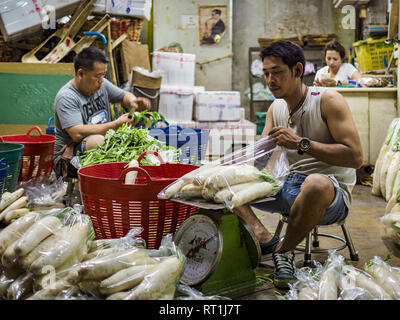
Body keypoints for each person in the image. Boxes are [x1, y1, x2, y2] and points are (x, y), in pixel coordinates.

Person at [233, 40, 363, 289]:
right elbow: (260, 157)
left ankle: (284, 252)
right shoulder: (276, 107)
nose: (271, 80)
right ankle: (264, 238)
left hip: (329, 195)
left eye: (278, 72)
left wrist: (303, 144)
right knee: (220, 185)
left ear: (298, 70)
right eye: (267, 73)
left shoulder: (328, 100)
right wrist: (229, 172)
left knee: (315, 183)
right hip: (290, 187)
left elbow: (355, 157)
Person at [53, 47, 151, 178]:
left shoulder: (101, 84)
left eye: (103, 75)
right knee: (97, 141)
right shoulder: (67, 97)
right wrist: (115, 125)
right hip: (69, 158)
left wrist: (133, 102)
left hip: (105, 144)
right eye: (97, 76)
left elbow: (124, 96)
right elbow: (76, 133)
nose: (102, 81)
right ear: (81, 74)